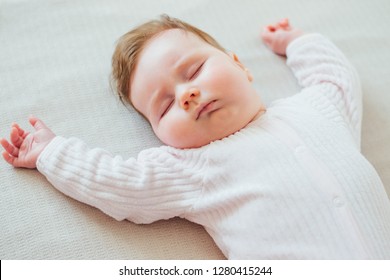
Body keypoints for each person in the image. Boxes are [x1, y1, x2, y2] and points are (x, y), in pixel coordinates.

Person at [1, 15, 390, 259]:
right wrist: (53, 152)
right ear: (160, 136)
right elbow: (121, 184)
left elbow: (336, 79)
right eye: (165, 106)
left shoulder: (316, 111)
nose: (186, 95)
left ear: (240, 65)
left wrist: (298, 43)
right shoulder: (193, 168)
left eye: (194, 70)